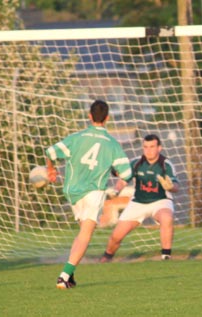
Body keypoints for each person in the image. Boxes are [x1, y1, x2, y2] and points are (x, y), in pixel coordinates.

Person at [45, 100, 132, 289]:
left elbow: (50, 152)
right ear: (107, 118)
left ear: (89, 116)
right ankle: (64, 276)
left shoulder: (76, 137)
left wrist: (50, 170)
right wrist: (113, 171)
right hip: (94, 192)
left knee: (82, 232)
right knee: (86, 233)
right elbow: (126, 174)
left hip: (72, 192)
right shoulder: (112, 144)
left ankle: (70, 275)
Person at [100, 134, 179, 262]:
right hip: (138, 203)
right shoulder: (136, 163)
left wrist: (170, 187)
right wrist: (116, 191)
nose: (148, 150)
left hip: (160, 201)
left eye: (152, 147)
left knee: (166, 217)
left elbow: (176, 186)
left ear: (159, 148)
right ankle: (106, 258)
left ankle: (166, 257)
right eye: (145, 147)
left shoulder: (166, 164)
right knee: (116, 236)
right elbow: (123, 180)